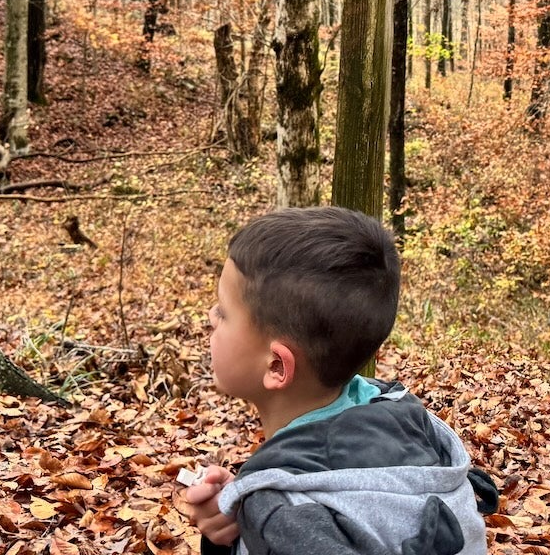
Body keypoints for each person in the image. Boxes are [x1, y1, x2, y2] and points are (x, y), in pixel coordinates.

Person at [185, 206, 498, 554]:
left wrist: (268, 517)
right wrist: (243, 520)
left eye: (224, 312)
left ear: (276, 367)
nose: (210, 316)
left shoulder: (291, 522)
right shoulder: (400, 421)